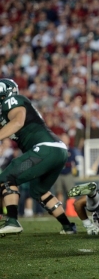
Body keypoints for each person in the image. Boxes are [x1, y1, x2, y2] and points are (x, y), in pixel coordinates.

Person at [0, 78, 76, 235]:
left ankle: (13, 221)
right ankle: (68, 227)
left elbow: (18, 122)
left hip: (45, 149)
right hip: (57, 150)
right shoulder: (7, 109)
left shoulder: (12, 101)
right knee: (38, 191)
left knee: (7, 177)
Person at [53, 132, 79, 208]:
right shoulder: (57, 150)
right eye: (62, 138)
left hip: (68, 173)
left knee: (71, 193)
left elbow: (74, 162)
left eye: (65, 138)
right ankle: (60, 210)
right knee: (59, 192)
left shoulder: (71, 150)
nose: (64, 140)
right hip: (59, 173)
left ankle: (71, 210)